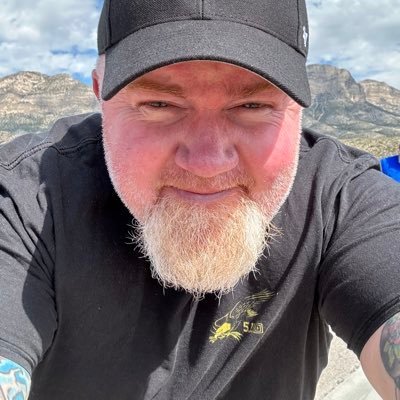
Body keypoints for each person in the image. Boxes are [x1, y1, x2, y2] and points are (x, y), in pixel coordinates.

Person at [0, 0, 400, 399]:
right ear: (99, 95)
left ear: (298, 108)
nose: (207, 163)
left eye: (252, 105)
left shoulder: (338, 200)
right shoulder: (27, 198)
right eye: (159, 104)